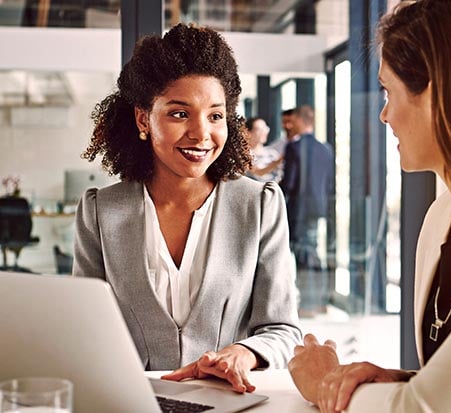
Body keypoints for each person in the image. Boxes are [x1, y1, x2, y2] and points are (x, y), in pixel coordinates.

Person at [288, 0, 451, 411]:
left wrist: (326, 384)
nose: (384, 115)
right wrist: (407, 379)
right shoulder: (441, 219)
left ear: (439, 91)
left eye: (389, 90)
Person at [73, 23, 301, 394]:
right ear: (143, 119)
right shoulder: (101, 212)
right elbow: (83, 330)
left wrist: (245, 352)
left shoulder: (258, 206)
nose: (201, 134)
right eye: (180, 114)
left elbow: (283, 329)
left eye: (215, 115)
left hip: (229, 402)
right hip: (130, 400)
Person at [280, 105, 334, 318]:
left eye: (292, 121)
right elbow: (329, 183)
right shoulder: (326, 149)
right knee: (312, 252)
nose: (289, 126)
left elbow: (290, 182)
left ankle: (308, 304)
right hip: (318, 207)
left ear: (301, 121)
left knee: (302, 253)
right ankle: (321, 300)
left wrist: (276, 193)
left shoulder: (294, 148)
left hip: (298, 208)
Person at [245, 117, 282, 182]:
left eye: (265, 129)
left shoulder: (272, 153)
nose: (264, 132)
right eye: (260, 130)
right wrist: (278, 161)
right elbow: (258, 172)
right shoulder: (245, 154)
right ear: (248, 132)